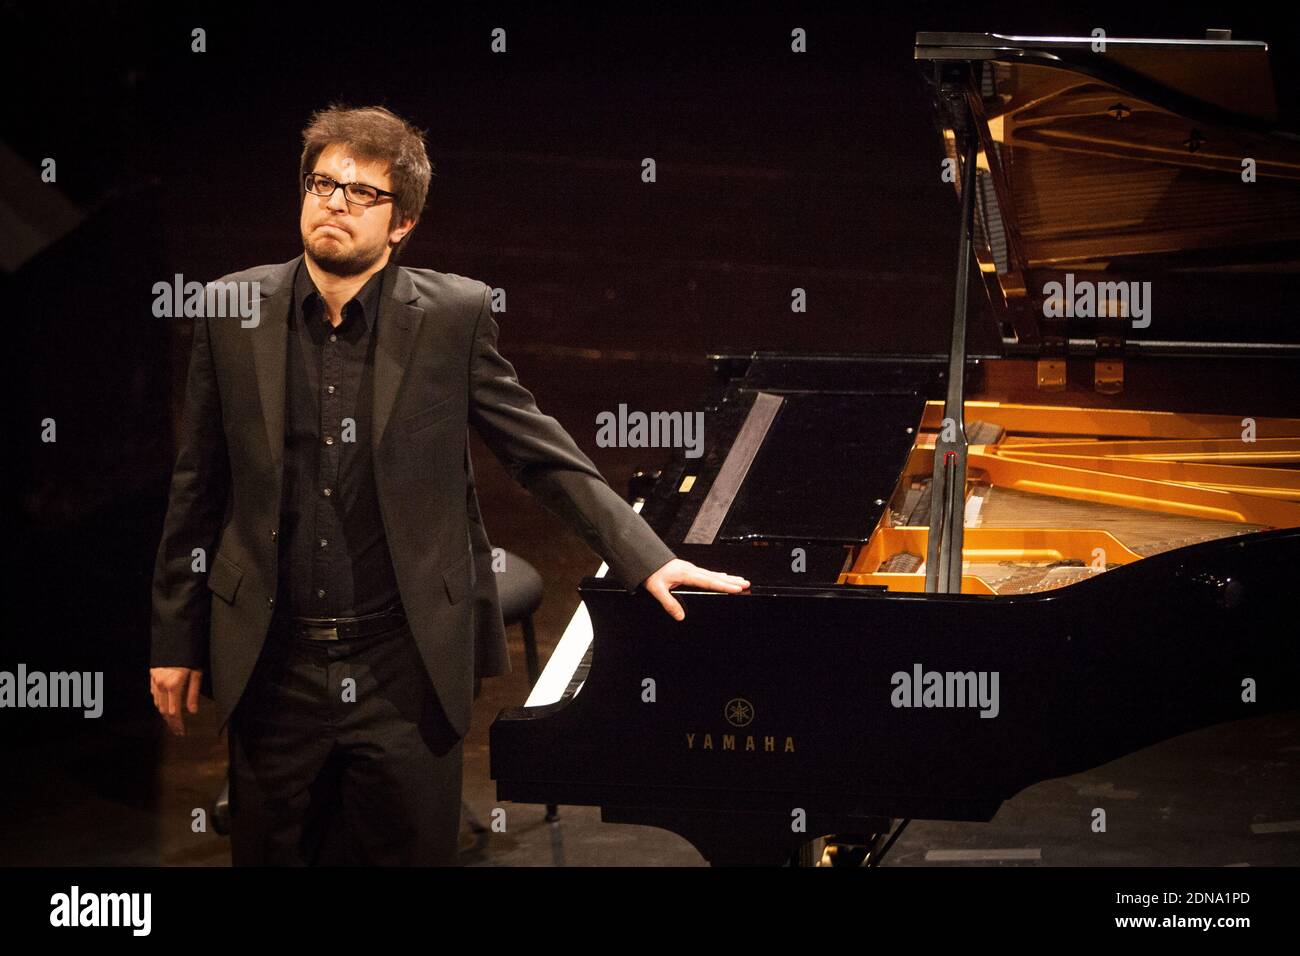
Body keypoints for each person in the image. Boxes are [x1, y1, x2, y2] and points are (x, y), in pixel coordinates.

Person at [148, 104, 749, 865]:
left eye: (361, 193)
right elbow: (197, 485)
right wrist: (174, 636)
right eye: (322, 183)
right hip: (272, 667)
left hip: (403, 668)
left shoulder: (452, 316)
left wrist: (647, 556)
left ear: (403, 223)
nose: (334, 202)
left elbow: (539, 451)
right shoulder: (231, 312)